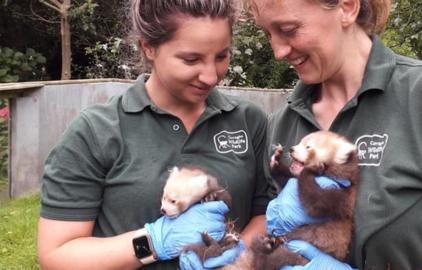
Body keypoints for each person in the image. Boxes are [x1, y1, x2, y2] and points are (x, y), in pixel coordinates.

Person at [37, 0, 275, 269]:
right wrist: (152, 242)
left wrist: (239, 257)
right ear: (148, 47)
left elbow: (265, 214)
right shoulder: (95, 131)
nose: (211, 76)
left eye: (221, 56)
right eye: (191, 59)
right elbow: (56, 255)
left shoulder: (249, 121)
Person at [246, 0, 422, 269]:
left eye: (288, 29)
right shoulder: (282, 122)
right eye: (267, 33)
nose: (277, 51)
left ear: (347, 7)